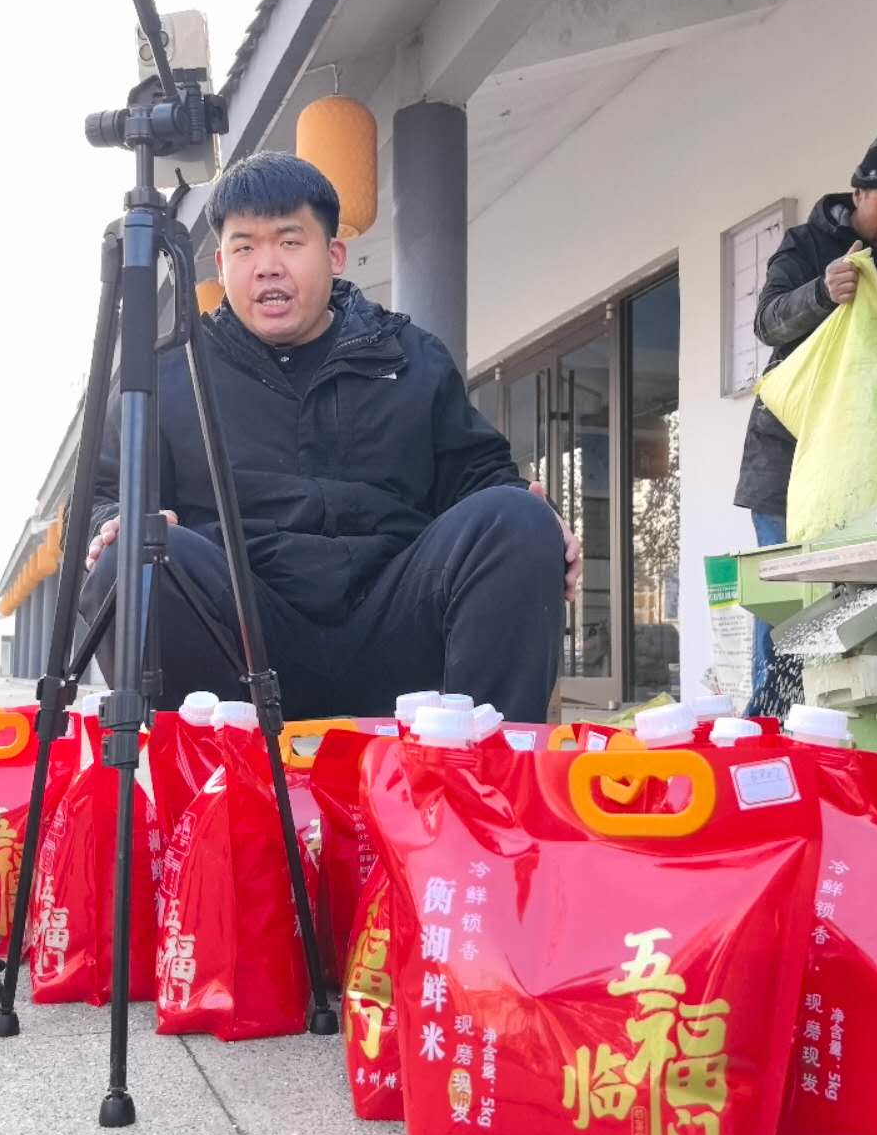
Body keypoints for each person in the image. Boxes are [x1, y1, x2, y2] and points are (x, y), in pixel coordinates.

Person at [77, 152, 578, 722]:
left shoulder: (410, 358)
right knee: (136, 551)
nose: (267, 267)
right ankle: (204, 771)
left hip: (394, 628)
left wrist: (537, 518)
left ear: (334, 255)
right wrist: (111, 524)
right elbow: (102, 496)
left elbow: (480, 476)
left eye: (289, 242)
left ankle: (479, 771)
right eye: (245, 248)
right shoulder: (171, 377)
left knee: (517, 519)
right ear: (220, 264)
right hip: (240, 642)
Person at [733, 122, 877, 713]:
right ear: (858, 194)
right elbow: (767, 322)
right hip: (786, 456)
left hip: (871, 458)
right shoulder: (806, 243)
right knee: (787, 596)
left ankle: (842, 723)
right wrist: (820, 291)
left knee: (864, 598)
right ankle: (772, 721)